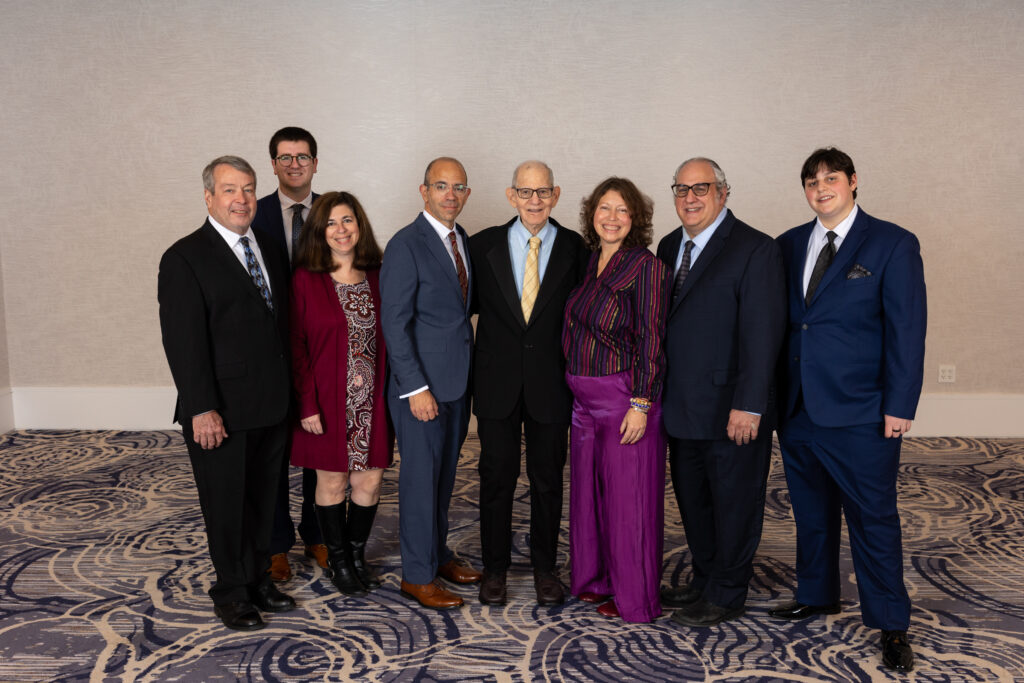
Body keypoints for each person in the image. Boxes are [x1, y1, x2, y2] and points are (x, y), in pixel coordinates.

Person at [772, 147, 926, 673]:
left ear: (854, 182)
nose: (821, 188)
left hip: (863, 410)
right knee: (811, 513)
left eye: (831, 178)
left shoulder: (892, 244)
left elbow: (908, 329)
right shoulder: (789, 245)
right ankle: (817, 593)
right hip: (797, 407)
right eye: (811, 181)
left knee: (873, 518)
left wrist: (900, 404)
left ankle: (891, 623)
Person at [158, 156, 295, 630]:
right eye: (230, 190)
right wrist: (201, 407)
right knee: (227, 502)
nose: (242, 199)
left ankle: (258, 578)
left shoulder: (270, 249)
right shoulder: (184, 257)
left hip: (270, 403)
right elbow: (183, 341)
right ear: (209, 197)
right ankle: (232, 591)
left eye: (250, 189)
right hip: (220, 409)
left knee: (263, 498)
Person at [655, 158, 786, 627]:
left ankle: (728, 592)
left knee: (734, 503)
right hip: (681, 406)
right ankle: (706, 577)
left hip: (732, 410)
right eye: (681, 189)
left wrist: (749, 405)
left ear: (724, 193)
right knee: (694, 501)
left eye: (701, 188)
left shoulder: (755, 249)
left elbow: (763, 336)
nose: (689, 198)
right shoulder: (669, 246)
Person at [469, 161, 587, 606]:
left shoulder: (577, 249)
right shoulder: (482, 247)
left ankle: (544, 568)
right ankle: (494, 569)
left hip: (551, 385)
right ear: (510, 195)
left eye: (543, 192)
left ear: (555, 195)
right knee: (495, 478)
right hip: (497, 383)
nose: (534, 201)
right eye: (525, 192)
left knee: (547, 480)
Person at [561, 177, 670, 623]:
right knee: (590, 499)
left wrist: (641, 404)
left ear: (635, 220)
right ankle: (597, 580)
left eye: (622, 211)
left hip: (624, 400)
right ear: (592, 215)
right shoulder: (591, 263)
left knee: (630, 506)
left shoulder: (647, 267)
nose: (611, 218)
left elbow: (652, 340)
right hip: (583, 403)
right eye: (604, 208)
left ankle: (636, 599)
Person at [380, 157, 482, 610]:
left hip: (456, 383)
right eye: (441, 186)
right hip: (419, 389)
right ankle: (416, 576)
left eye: (458, 187)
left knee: (443, 479)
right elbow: (394, 323)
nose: (450, 195)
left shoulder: (461, 240)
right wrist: (415, 387)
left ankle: (437, 555)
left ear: (467, 194)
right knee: (420, 481)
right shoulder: (406, 244)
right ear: (423, 191)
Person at [289, 191, 393, 597]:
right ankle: (338, 560)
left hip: (373, 400)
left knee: (369, 482)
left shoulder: (380, 275)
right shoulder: (304, 279)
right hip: (326, 403)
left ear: (359, 225)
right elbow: (295, 347)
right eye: (331, 223)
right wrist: (306, 404)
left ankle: (355, 554)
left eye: (347, 220)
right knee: (331, 484)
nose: (340, 230)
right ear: (320, 231)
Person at [251, 126, 323, 582]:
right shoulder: (250, 214)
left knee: (321, 443)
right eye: (285, 157)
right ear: (273, 164)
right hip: (271, 350)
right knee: (273, 449)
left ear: (316, 163)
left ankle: (318, 532)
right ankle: (276, 543)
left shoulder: (335, 214)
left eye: (302, 156)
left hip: (321, 347)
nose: (294, 164)